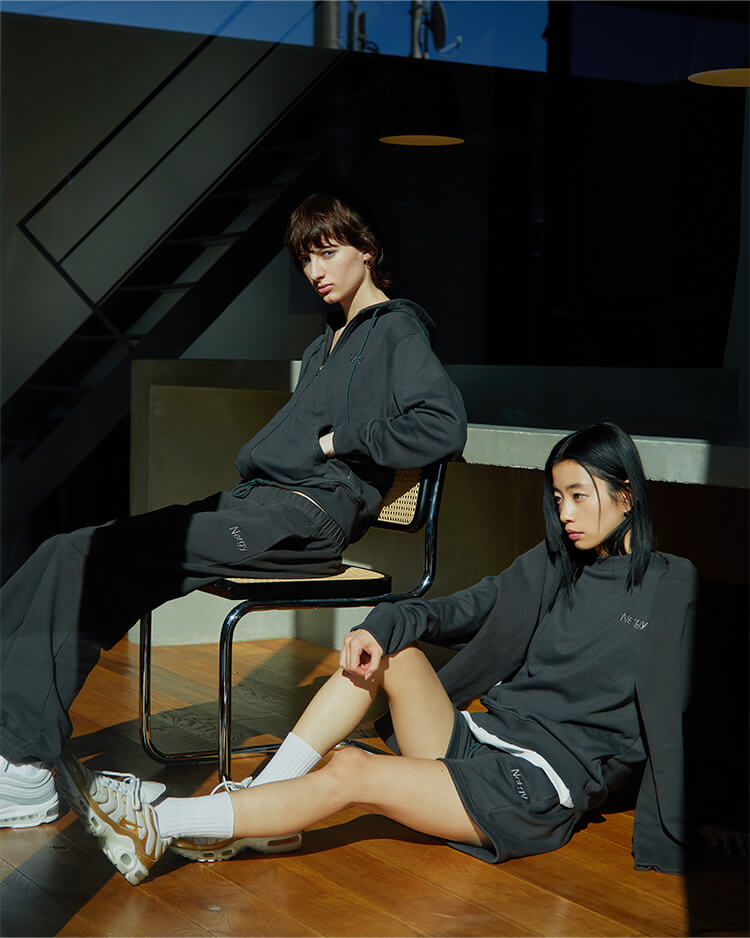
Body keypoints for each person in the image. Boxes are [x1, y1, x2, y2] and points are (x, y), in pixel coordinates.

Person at [53, 422, 698, 886]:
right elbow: (459, 608)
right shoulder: (553, 565)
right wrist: (381, 626)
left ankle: (162, 820)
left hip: (532, 789)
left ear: (627, 494)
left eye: (579, 495)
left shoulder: (671, 586)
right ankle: (264, 804)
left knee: (351, 769)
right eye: (557, 498)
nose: (565, 514)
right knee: (389, 652)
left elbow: (689, 707)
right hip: (478, 740)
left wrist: (705, 818)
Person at [0, 193, 467, 832]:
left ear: (367, 250)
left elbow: (442, 424)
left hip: (304, 516)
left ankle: (24, 763)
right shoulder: (327, 341)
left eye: (328, 253)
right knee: (68, 551)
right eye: (305, 259)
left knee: (93, 557)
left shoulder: (395, 329)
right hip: (261, 503)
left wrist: (340, 442)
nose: (315, 271)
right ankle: (14, 733)